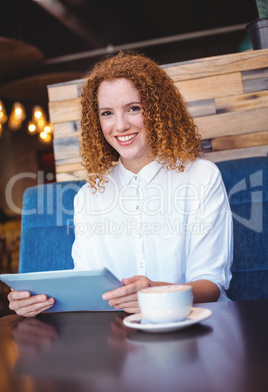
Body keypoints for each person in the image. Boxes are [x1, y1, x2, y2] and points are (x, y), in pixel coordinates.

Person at [8, 51, 233, 317]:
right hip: (119, 338)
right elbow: (86, 286)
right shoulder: (89, 196)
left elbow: (212, 284)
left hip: (199, 327)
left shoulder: (202, 177)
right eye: (107, 113)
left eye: (133, 108)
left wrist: (157, 293)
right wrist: (35, 303)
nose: (120, 125)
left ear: (158, 109)